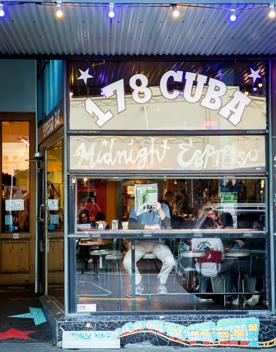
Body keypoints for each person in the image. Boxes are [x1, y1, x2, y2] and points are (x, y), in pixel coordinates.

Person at [123, 201, 175, 294]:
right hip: (141, 242)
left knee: (170, 261)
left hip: (158, 243)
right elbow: (131, 225)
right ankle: (138, 283)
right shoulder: (137, 206)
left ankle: (161, 283)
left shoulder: (163, 207)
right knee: (127, 262)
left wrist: (159, 210)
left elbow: (168, 226)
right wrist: (149, 227)